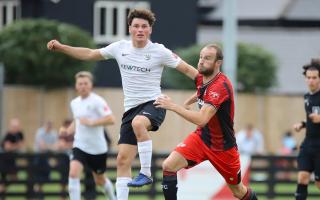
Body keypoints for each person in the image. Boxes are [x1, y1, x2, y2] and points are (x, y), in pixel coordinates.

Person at [47, 8, 198, 199]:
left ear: (150, 30)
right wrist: (62, 47)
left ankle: (145, 172)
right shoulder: (119, 48)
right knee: (122, 160)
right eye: (136, 26)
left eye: (144, 26)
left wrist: (206, 86)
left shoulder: (159, 51)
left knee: (138, 123)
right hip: (131, 110)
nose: (140, 30)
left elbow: (188, 69)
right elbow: (89, 53)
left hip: (155, 104)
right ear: (130, 28)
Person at [154, 44, 257, 200]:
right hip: (202, 138)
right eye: (201, 57)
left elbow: (202, 119)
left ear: (218, 63)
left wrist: (173, 106)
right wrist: (165, 53)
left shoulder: (220, 86)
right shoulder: (203, 78)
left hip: (223, 147)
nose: (201, 61)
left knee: (238, 191)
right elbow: (187, 69)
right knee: (168, 166)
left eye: (207, 58)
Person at [63, 71, 116, 200]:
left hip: (97, 149)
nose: (83, 86)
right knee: (73, 174)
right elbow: (77, 121)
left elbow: (111, 119)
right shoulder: (74, 103)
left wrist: (92, 122)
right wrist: (67, 131)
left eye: (85, 83)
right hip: (79, 146)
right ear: (76, 86)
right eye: (80, 84)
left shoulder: (97, 101)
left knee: (99, 180)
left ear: (91, 85)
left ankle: (113, 198)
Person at [293, 59, 320, 200]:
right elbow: (310, 119)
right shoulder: (307, 97)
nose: (311, 81)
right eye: (308, 77)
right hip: (308, 142)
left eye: (314, 77)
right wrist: (302, 124)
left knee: (318, 183)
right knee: (302, 177)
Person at [33, 121, 59, 193]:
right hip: (38, 157)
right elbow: (42, 147)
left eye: (50, 127)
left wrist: (47, 147)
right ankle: (37, 189)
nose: (48, 128)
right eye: (47, 126)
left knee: (46, 177)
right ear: (44, 126)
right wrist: (50, 147)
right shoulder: (40, 132)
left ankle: (38, 189)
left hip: (49, 157)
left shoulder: (54, 133)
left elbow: (56, 147)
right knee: (38, 176)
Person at [0, 118, 25, 194]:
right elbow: (7, 147)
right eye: (14, 126)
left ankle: (2, 191)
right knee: (6, 179)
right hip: (4, 160)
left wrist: (14, 146)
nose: (16, 128)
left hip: (12, 160)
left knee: (14, 178)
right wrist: (16, 146)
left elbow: (23, 145)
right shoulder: (8, 135)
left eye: (17, 126)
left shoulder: (20, 134)